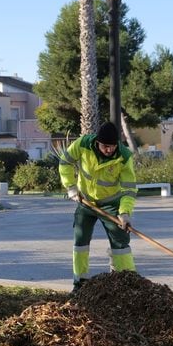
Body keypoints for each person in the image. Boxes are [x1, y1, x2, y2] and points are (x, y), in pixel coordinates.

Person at [58, 121, 138, 289]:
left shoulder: (124, 157)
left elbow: (128, 190)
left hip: (111, 205)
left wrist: (124, 213)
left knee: (120, 243)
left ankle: (128, 283)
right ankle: (80, 283)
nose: (109, 150)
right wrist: (71, 188)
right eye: (105, 146)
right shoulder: (83, 144)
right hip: (85, 202)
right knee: (80, 242)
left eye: (112, 146)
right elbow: (65, 162)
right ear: (97, 142)